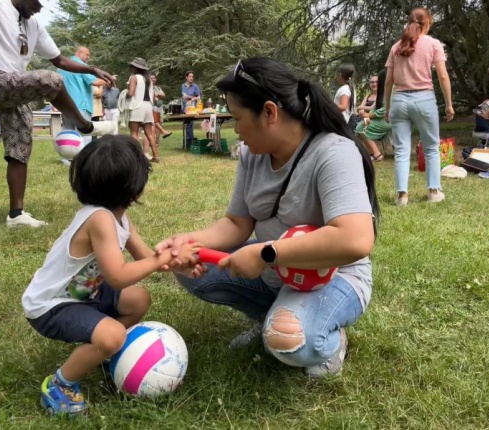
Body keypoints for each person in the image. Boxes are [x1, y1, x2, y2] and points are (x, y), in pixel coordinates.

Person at [155, 57, 379, 378]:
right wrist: (188, 242)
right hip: (277, 273)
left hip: (331, 278)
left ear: (270, 113)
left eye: (238, 118)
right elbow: (237, 223)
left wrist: (266, 253)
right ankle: (275, 316)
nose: (236, 129)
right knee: (190, 269)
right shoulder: (253, 154)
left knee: (288, 341)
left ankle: (326, 338)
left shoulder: (333, 152)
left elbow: (355, 239)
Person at [21, 135, 200, 416]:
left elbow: (146, 259)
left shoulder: (118, 217)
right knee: (114, 334)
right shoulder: (99, 220)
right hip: (50, 306)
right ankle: (59, 384)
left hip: (83, 295)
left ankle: (104, 350)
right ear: (136, 190)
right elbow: (117, 276)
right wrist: (164, 258)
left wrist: (179, 263)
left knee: (138, 300)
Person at [0, 0, 116, 228]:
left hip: (13, 88)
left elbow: (59, 60)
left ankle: (16, 215)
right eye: (36, 3)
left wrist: (93, 69)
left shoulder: (34, 25)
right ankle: (84, 126)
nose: (39, 8)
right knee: (50, 80)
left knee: (20, 146)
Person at [384, 7, 454, 207]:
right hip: (424, 99)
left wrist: (387, 107)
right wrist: (449, 104)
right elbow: (442, 75)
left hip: (399, 100)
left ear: (409, 22)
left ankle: (402, 197)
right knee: (431, 147)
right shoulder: (433, 44)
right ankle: (433, 192)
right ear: (428, 22)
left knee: (401, 150)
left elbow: (389, 80)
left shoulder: (397, 46)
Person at [58, 46, 107, 149]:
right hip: (81, 104)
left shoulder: (62, 66)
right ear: (79, 53)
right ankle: (83, 156)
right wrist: (108, 80)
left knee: (67, 131)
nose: (88, 58)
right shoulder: (81, 66)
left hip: (65, 104)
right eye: (87, 55)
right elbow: (95, 81)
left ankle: (66, 157)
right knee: (84, 132)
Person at [125, 57, 159, 162]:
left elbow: (131, 93)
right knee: (149, 133)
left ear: (135, 67)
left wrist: (124, 95)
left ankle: (135, 156)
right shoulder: (149, 79)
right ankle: (156, 156)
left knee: (134, 132)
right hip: (148, 106)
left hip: (137, 106)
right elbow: (153, 97)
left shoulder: (134, 78)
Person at [355, 69, 392, 162]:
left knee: (362, 127)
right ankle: (373, 154)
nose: (375, 84)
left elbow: (384, 110)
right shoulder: (381, 91)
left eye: (377, 81)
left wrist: (369, 115)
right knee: (361, 125)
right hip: (379, 119)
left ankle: (378, 155)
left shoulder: (390, 91)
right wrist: (365, 115)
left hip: (388, 120)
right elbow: (375, 107)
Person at [333, 63, 356, 130]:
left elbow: (343, 107)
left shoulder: (344, 89)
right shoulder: (350, 88)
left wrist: (328, 104)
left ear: (340, 74)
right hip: (346, 121)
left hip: (341, 122)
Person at [181, 70, 201, 149]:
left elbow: (199, 97)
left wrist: (191, 98)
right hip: (185, 108)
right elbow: (183, 96)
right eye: (190, 76)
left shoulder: (195, 86)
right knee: (186, 124)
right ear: (186, 77)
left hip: (192, 108)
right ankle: (189, 141)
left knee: (190, 124)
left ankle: (189, 141)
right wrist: (192, 97)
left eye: (192, 76)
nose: (191, 78)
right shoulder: (183, 86)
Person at [150, 72, 172, 140]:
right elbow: (152, 98)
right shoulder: (148, 88)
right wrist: (158, 96)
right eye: (152, 78)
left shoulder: (157, 88)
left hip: (160, 107)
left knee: (160, 122)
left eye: (154, 78)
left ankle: (157, 140)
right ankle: (154, 139)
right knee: (155, 123)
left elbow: (163, 95)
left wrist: (158, 95)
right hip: (153, 107)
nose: (153, 79)